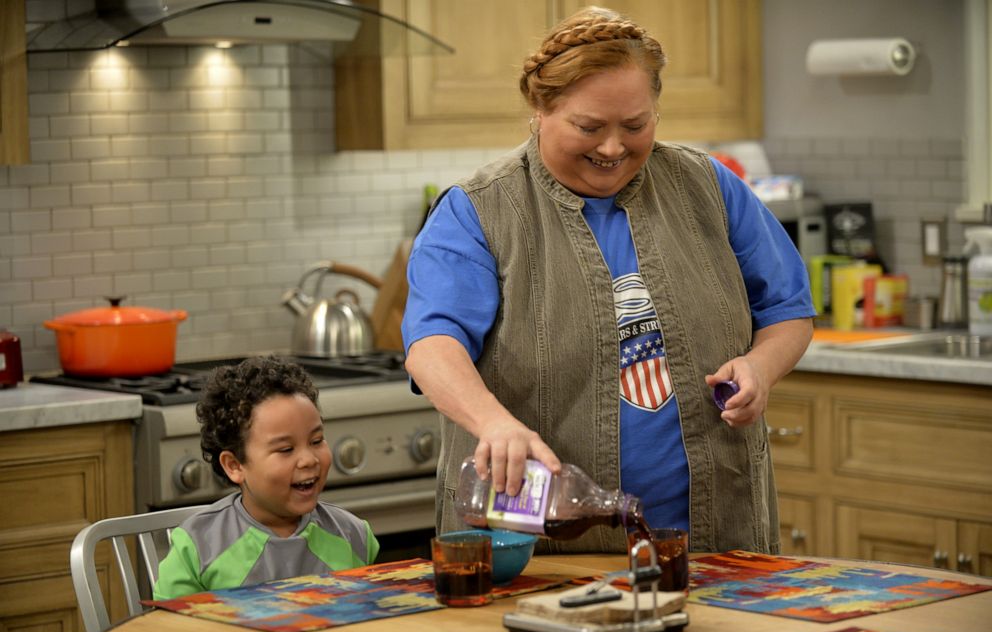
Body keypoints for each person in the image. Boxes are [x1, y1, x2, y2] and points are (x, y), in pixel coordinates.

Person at [402, 6, 815, 555]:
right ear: (539, 108)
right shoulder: (479, 211)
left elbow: (789, 308)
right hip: (541, 546)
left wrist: (761, 368)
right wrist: (493, 423)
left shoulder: (708, 187)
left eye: (636, 125)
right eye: (589, 127)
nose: (613, 148)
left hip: (716, 535)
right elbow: (432, 345)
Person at [153, 356, 379, 599]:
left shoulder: (354, 536)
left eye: (316, 441)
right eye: (285, 449)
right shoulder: (197, 546)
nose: (309, 460)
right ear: (235, 465)